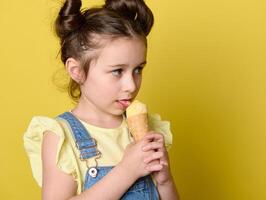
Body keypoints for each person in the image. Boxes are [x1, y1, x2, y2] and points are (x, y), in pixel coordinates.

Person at [23, 0, 179, 199]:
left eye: (138, 69)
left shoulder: (149, 128)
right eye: (117, 71)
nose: (131, 85)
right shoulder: (61, 137)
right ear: (77, 71)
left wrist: (165, 180)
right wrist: (126, 172)